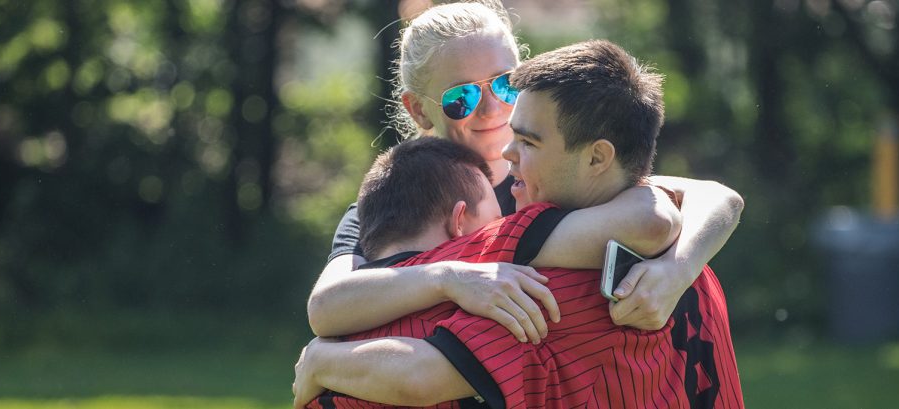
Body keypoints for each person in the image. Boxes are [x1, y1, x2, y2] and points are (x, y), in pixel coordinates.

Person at [294, 40, 744, 409]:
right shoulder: (686, 252)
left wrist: (320, 361)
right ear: (419, 111)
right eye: (461, 96)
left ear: (597, 158)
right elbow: (328, 306)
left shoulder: (548, 287)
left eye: (526, 138)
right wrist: (681, 265)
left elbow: (419, 375)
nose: (496, 122)